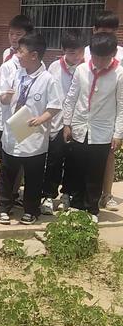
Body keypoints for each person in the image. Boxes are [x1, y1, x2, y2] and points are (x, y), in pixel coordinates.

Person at [0, 32, 61, 225]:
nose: (17, 54)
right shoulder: (17, 74)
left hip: (34, 136)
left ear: (34, 55)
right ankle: (3, 207)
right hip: (13, 133)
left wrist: (41, 119)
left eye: (21, 51)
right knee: (7, 173)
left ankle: (31, 210)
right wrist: (5, 98)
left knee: (34, 176)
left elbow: (55, 106)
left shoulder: (48, 79)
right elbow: (5, 97)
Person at [63, 32, 123, 221]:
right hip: (80, 126)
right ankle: (76, 205)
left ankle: (92, 209)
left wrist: (118, 133)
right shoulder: (82, 70)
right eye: (96, 56)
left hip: (102, 130)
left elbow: (122, 105)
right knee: (77, 168)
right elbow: (71, 98)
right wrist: (67, 123)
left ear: (113, 53)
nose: (99, 61)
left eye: (104, 58)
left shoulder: (119, 74)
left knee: (95, 171)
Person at [41, 29, 85, 215]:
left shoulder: (86, 68)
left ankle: (67, 194)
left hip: (77, 123)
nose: (76, 56)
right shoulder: (54, 68)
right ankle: (48, 195)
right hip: (57, 123)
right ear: (63, 50)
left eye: (80, 52)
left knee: (74, 161)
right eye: (72, 52)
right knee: (54, 160)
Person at [0, 15, 34, 209]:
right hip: (6, 118)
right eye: (11, 33)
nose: (14, 38)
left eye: (18, 34)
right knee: (5, 159)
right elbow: (2, 92)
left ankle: (14, 193)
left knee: (20, 159)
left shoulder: (32, 60)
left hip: (23, 118)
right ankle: (1, 197)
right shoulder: (7, 60)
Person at [83, 11, 123, 212]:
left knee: (108, 156)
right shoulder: (87, 52)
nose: (107, 35)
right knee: (89, 158)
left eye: (111, 31)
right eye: (102, 30)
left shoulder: (121, 54)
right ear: (94, 30)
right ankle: (86, 197)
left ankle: (107, 195)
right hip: (89, 116)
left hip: (110, 114)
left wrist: (118, 130)